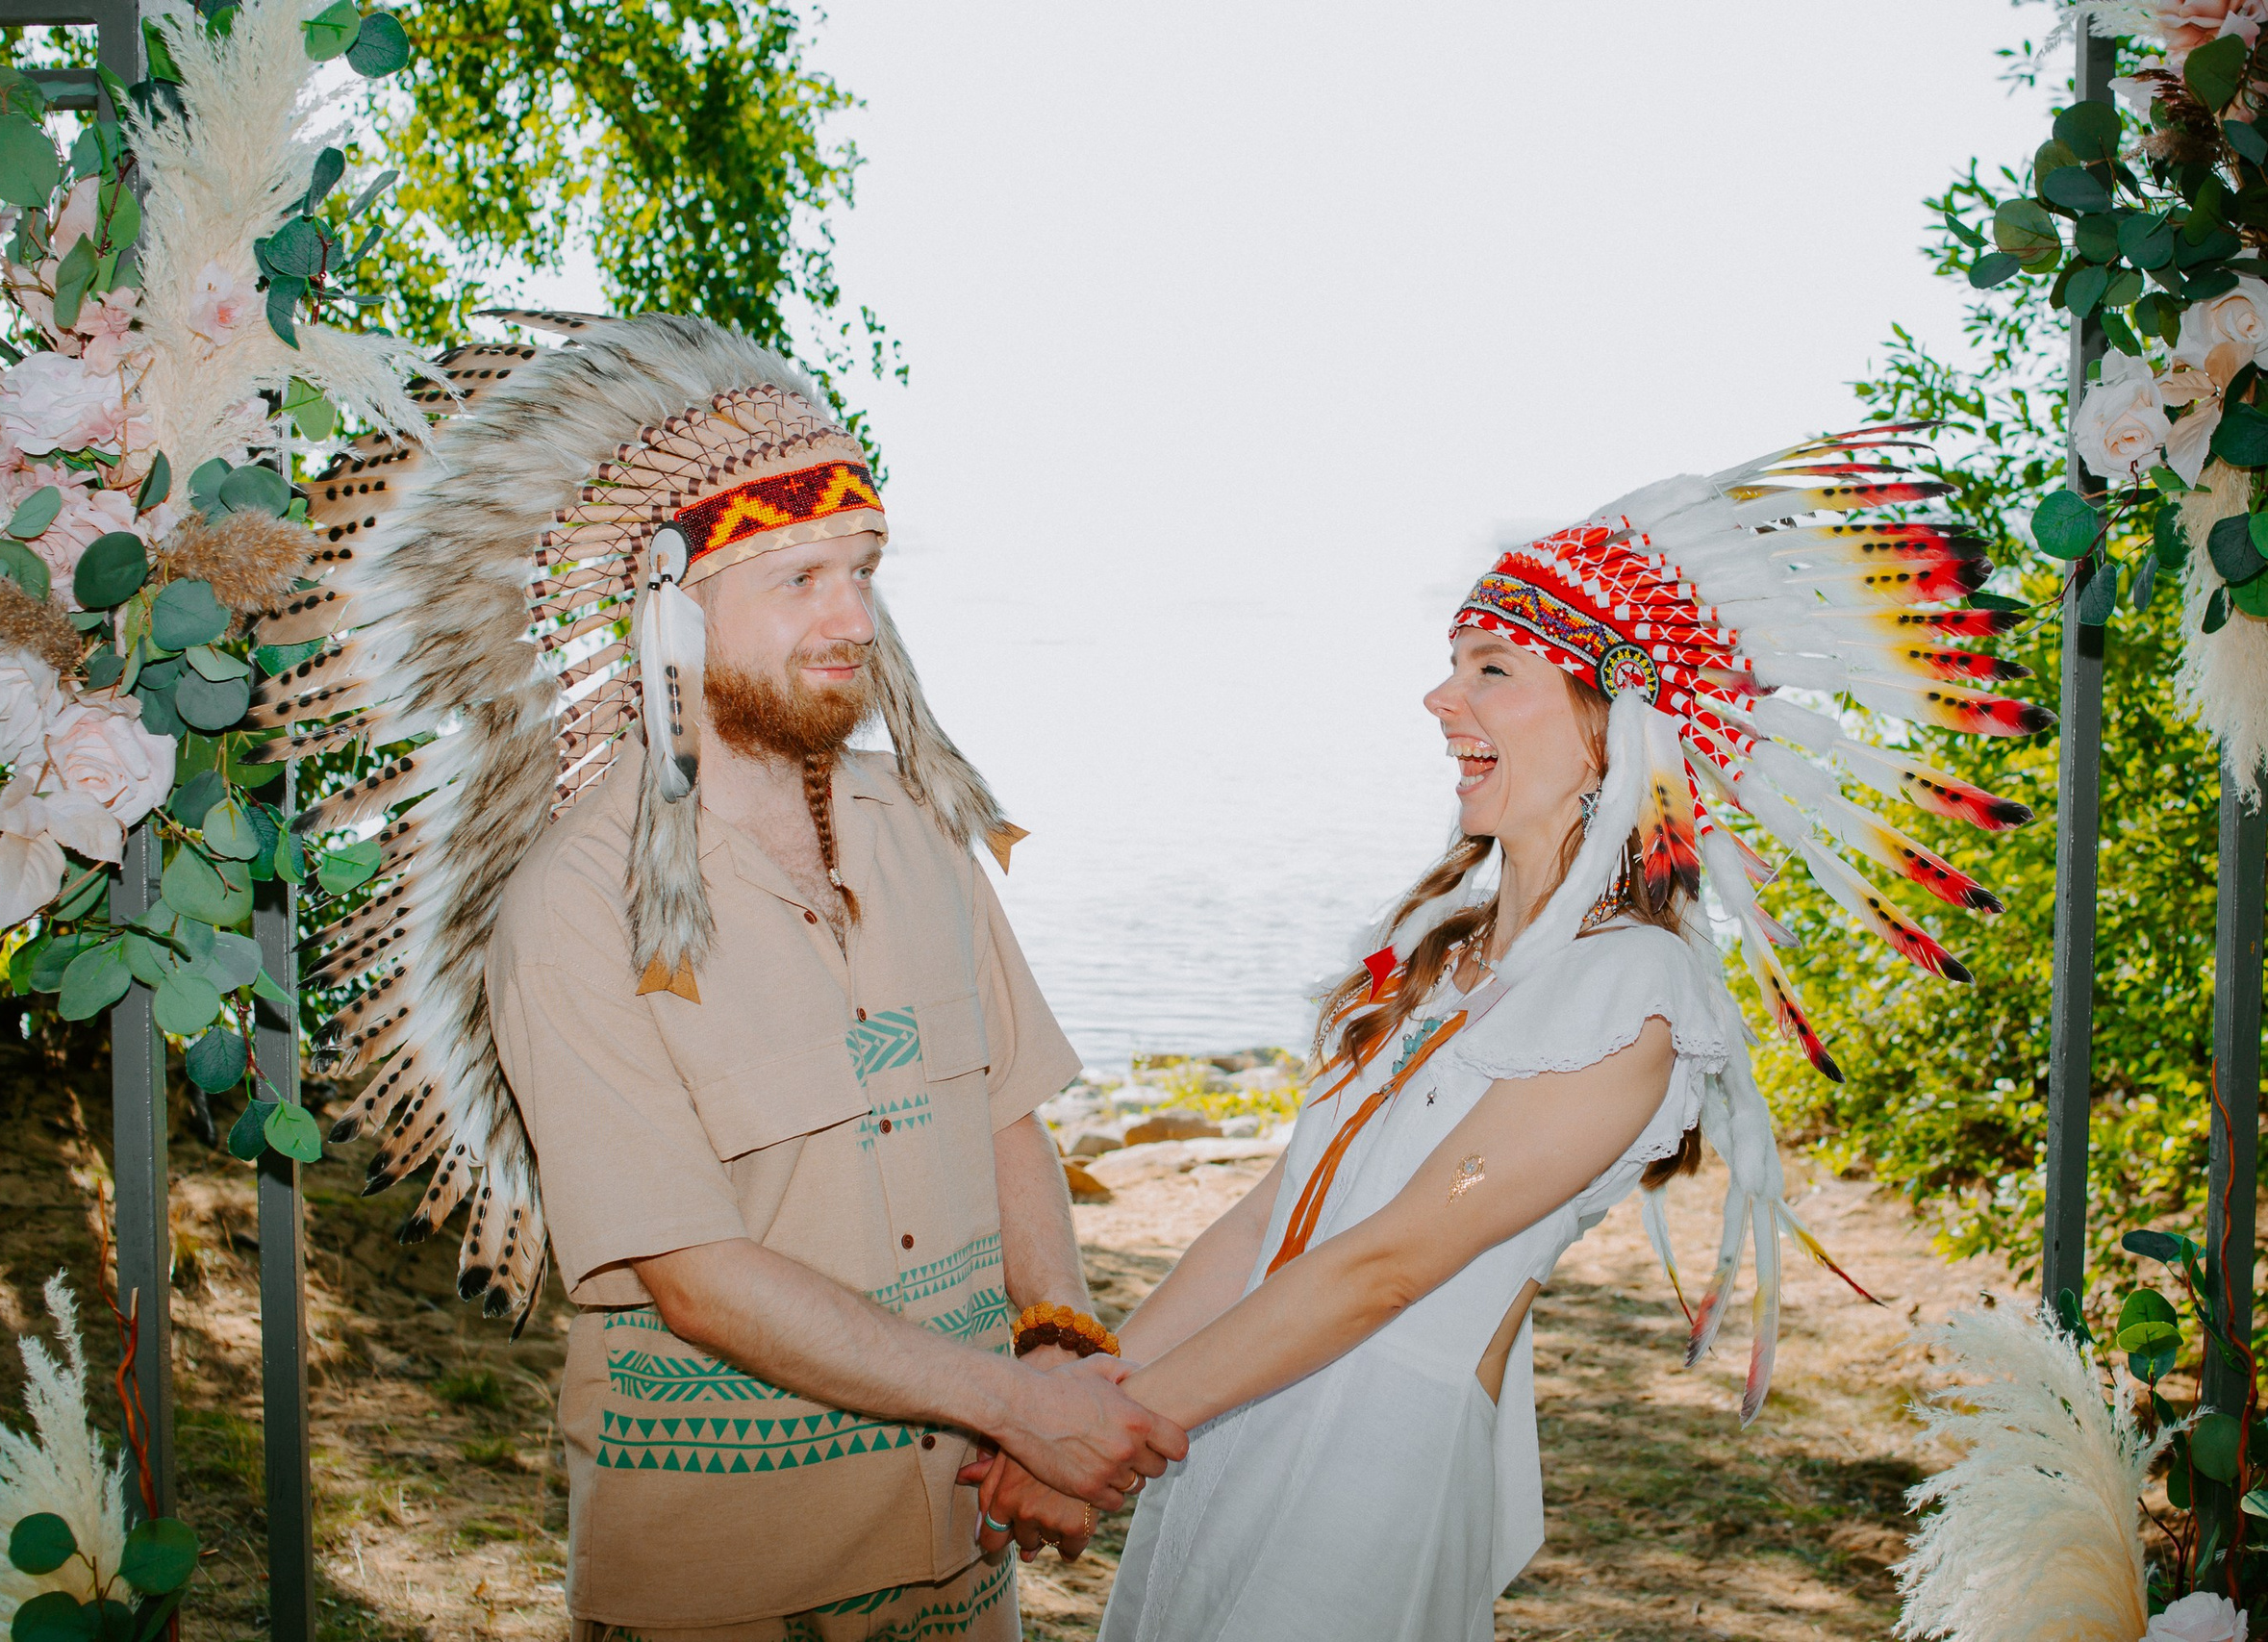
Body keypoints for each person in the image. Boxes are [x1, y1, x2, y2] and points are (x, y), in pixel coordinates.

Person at [965, 429, 2051, 1639]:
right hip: (1240, 1405)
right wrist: (1086, 1393)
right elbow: (1276, 1209)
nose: (1441, 699)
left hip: (1368, 1457)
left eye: (1492, 668)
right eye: (1451, 665)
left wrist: (1094, 1445)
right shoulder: (1441, 943)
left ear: (1607, 729)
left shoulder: (1629, 994)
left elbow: (1387, 1266)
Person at [267, 315, 1182, 1641]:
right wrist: (1013, 1406)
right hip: (734, 1584)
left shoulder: (922, 831)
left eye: (863, 567)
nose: (852, 616)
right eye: (798, 575)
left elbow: (1006, 1119)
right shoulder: (576, 907)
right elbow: (693, 1272)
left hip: (966, 1548)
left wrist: (1052, 1347)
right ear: (672, 609)